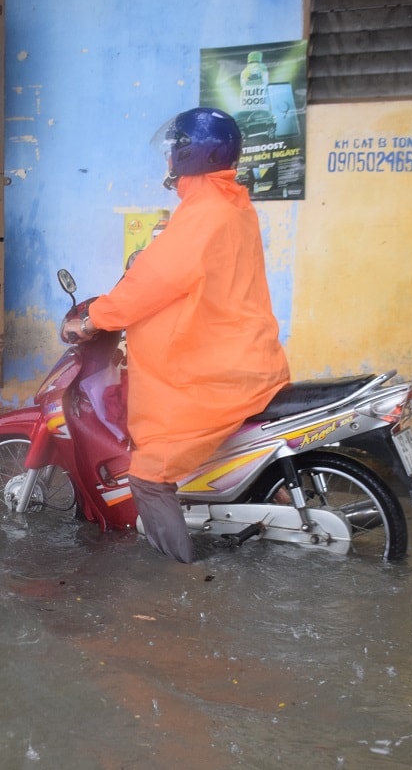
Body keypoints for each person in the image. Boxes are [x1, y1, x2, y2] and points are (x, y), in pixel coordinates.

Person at [62, 107, 290, 563]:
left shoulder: (203, 214)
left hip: (213, 373)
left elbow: (147, 286)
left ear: (189, 156)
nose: (167, 160)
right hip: (243, 358)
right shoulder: (230, 205)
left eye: (173, 152)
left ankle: (174, 582)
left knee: (148, 475)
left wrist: (91, 320)